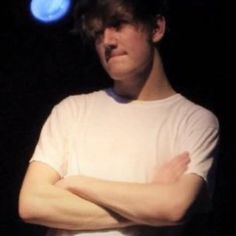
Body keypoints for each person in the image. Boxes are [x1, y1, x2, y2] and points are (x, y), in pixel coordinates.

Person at [18, 0, 219, 235]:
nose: (107, 41)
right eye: (98, 33)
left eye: (119, 24)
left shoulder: (194, 121)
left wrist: (78, 183)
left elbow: (174, 208)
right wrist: (148, 203)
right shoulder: (72, 110)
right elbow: (32, 204)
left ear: (156, 28)